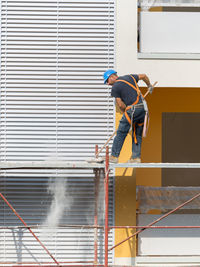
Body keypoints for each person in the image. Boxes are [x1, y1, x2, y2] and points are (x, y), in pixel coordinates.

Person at [103, 69, 153, 163]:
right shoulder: (130, 77)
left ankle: (114, 156)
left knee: (121, 132)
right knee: (136, 134)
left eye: (107, 81)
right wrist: (149, 85)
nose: (108, 84)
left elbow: (120, 104)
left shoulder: (115, 87)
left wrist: (124, 112)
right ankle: (136, 158)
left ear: (112, 77)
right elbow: (144, 75)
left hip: (132, 110)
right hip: (143, 109)